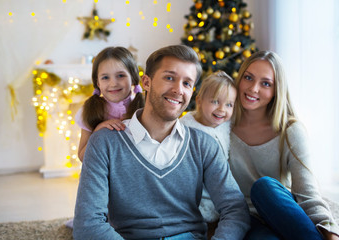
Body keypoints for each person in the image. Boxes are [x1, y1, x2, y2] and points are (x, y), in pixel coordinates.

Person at [73, 45, 250, 240]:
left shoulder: (204, 146)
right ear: (146, 82)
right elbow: (87, 224)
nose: (178, 90)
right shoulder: (104, 142)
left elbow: (235, 210)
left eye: (187, 83)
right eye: (169, 78)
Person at [229, 50, 339, 240]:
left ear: (276, 90)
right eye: (248, 78)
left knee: (263, 186)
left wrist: (330, 233)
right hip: (247, 219)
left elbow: (307, 193)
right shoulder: (221, 127)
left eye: (265, 83)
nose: (253, 88)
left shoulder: (291, 131)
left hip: (282, 211)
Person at [180, 71, 237, 225]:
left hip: (219, 197)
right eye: (215, 101)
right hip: (194, 201)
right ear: (199, 100)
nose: (222, 109)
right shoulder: (186, 128)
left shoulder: (226, 125)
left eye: (229, 104)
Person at [75, 46, 145, 161]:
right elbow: (83, 157)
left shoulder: (144, 108)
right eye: (105, 77)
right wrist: (98, 131)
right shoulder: (89, 110)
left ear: (132, 78)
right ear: (98, 82)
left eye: (120, 75)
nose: (113, 83)